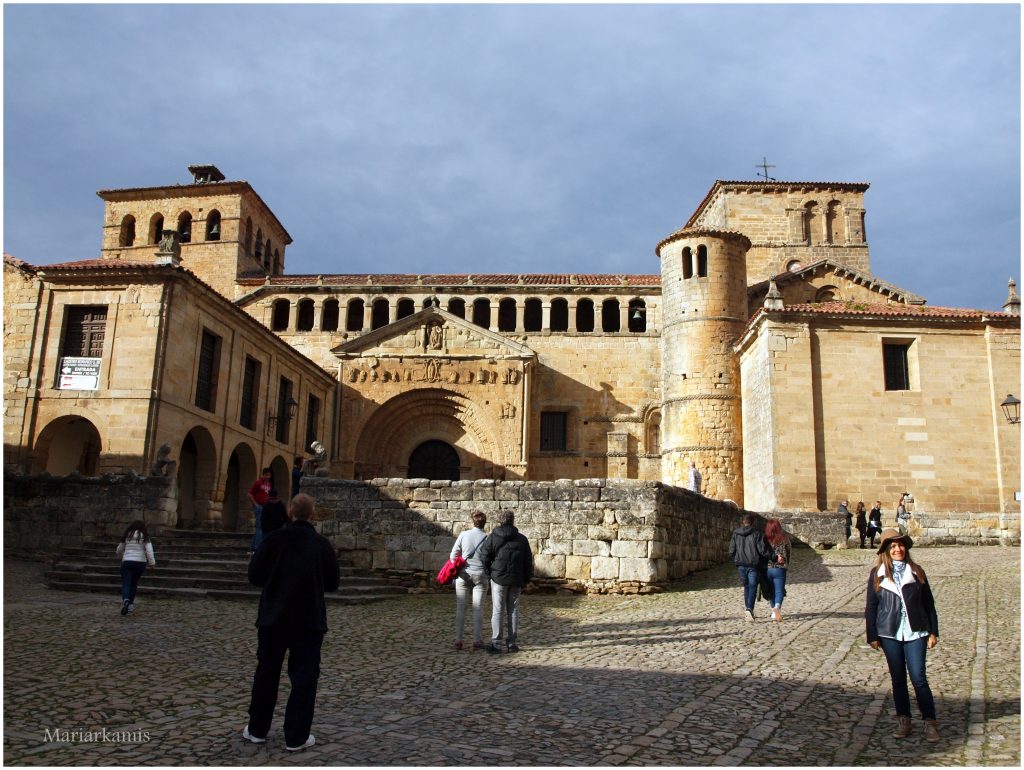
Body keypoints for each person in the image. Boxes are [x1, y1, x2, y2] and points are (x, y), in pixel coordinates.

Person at [244, 493, 340, 752]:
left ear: (290, 512)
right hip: (308, 621)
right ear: (313, 515)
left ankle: (257, 730)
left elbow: (253, 575)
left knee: (266, 673)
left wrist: (276, 581)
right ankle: (296, 737)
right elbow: (333, 583)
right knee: (304, 678)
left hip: (273, 617)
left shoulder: (273, 539)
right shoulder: (322, 544)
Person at [865, 528, 940, 742]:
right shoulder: (876, 574)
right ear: (886, 551)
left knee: (919, 678)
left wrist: (933, 631)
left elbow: (929, 604)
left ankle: (929, 722)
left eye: (900, 545)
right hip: (889, 632)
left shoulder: (916, 570)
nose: (898, 549)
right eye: (893, 546)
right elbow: (871, 606)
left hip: (916, 630)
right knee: (898, 679)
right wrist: (872, 635)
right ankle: (904, 720)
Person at [478, 510, 533, 654]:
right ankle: (512, 643)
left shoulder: (493, 537)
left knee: (498, 610)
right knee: (513, 610)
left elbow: (484, 557)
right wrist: (526, 579)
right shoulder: (522, 539)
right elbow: (528, 562)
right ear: (513, 521)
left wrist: (490, 573)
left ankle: (496, 643)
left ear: (500, 521)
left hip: (498, 578)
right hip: (516, 579)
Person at [451, 511, 490, 651]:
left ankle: (458, 639)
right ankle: (477, 640)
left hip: (463, 574)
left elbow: (453, 555)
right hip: (480, 575)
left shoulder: (463, 535)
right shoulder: (487, 538)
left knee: (461, 608)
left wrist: (457, 566)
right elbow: (490, 559)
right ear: (484, 523)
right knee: (478, 609)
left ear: (473, 522)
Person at [728, 514, 772, 622]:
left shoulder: (736, 534)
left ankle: (748, 609)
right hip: (753, 564)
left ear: (743, 522)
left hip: (741, 564)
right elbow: (762, 550)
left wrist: (737, 559)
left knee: (746, 586)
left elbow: (731, 550)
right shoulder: (757, 534)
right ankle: (749, 609)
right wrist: (773, 556)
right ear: (752, 523)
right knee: (752, 586)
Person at [116, 520, 156, 616]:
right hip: (140, 562)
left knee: (126, 583)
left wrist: (121, 557)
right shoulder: (145, 536)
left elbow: (119, 549)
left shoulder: (127, 535)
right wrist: (152, 563)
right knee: (134, 584)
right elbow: (149, 551)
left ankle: (126, 600)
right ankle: (130, 605)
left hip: (127, 562)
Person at [763, 519, 791, 623]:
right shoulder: (784, 538)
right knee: (779, 591)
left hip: (768, 568)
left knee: (771, 591)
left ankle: (773, 611)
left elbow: (762, 553)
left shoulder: (765, 539)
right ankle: (777, 607)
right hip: (780, 568)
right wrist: (786, 564)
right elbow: (788, 552)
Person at [248, 467, 272, 553]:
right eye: (266, 475)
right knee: (259, 526)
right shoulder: (258, 482)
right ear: (263, 474)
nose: (267, 477)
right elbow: (250, 494)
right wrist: (255, 504)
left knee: (260, 527)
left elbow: (267, 495)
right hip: (259, 507)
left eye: (269, 475)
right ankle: (257, 548)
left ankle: (252, 547)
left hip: (265, 507)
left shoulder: (269, 484)